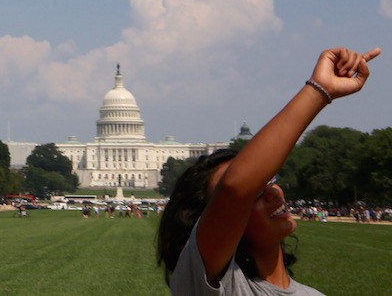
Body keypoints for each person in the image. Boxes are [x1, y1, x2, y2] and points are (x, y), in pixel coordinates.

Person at [156, 46, 380, 295]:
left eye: (269, 180)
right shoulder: (208, 284)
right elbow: (235, 188)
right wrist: (320, 89)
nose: (273, 192)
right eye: (256, 192)